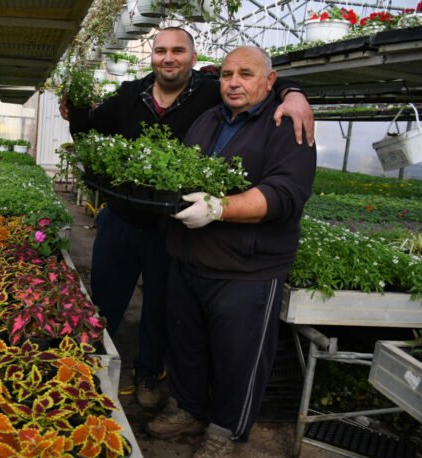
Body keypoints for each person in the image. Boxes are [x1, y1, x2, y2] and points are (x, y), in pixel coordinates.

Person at [61, 27, 314, 408]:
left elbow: (261, 78)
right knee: (106, 299)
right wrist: (76, 111)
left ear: (193, 57)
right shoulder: (131, 94)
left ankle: (148, 373)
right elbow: (91, 129)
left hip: (174, 226)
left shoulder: (213, 93)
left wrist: (294, 95)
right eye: (161, 50)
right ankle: (92, 365)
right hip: (123, 219)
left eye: (178, 50)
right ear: (152, 56)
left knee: (162, 310)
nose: (169, 58)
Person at [144, 46, 316, 458]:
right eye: (226, 74)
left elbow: (284, 194)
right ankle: (188, 409)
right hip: (189, 258)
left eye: (246, 73)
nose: (233, 82)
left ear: (270, 81)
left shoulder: (284, 124)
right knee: (186, 345)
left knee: (238, 356)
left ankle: (225, 430)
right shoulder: (209, 118)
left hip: (247, 269)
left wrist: (220, 208)